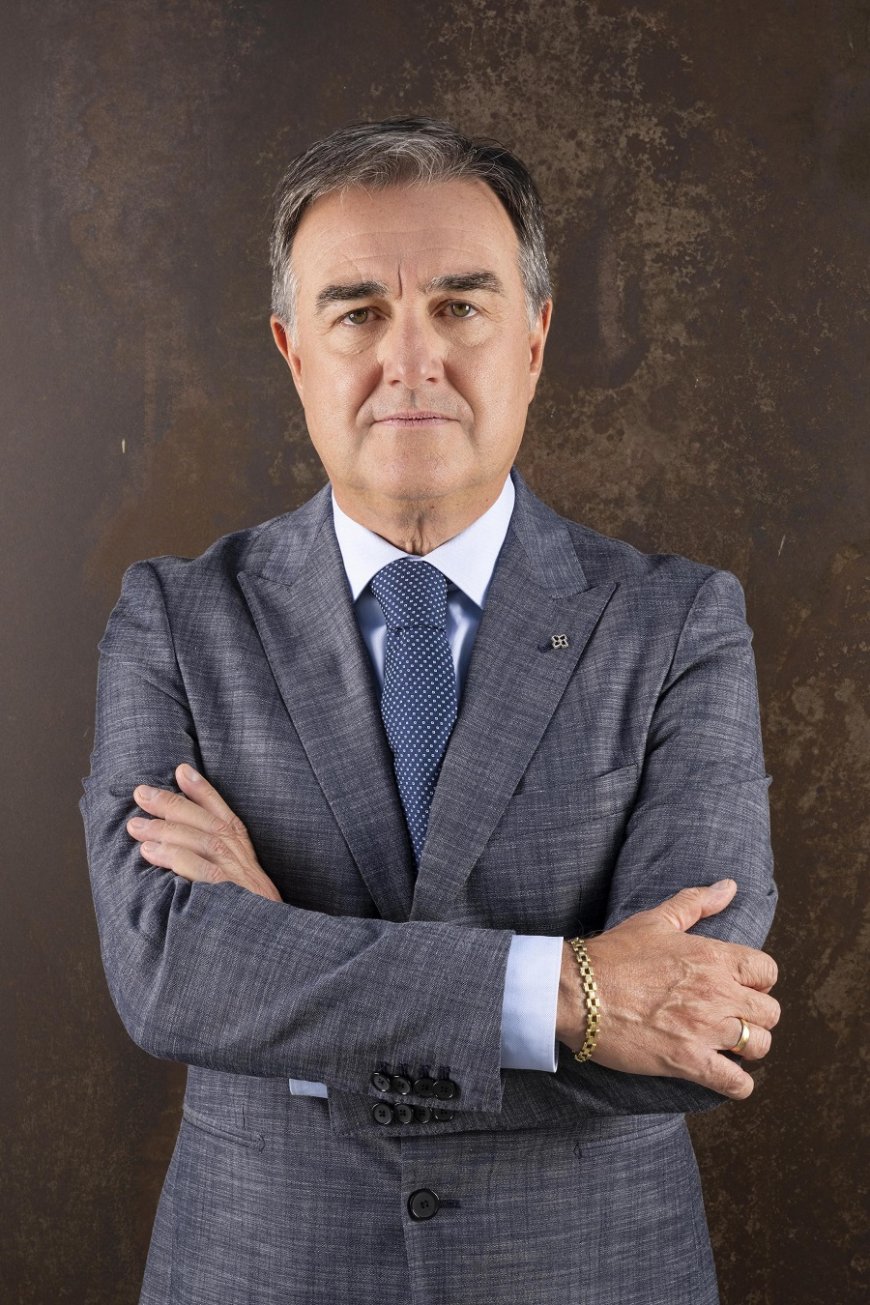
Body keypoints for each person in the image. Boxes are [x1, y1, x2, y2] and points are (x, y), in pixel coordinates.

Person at [80, 117, 780, 1305]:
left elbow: (696, 1028)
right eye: (358, 313)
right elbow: (168, 975)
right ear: (295, 352)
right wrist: (573, 994)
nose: (412, 361)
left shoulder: (679, 624)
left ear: (535, 339)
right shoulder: (176, 620)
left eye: (460, 306)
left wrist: (281, 965)